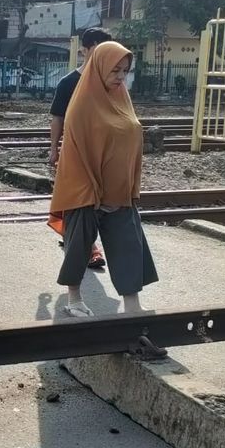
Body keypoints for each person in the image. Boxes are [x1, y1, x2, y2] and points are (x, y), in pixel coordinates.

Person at [50, 41, 157, 318]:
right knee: (78, 246)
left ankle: (132, 305)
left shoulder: (122, 98)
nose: (121, 76)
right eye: (115, 70)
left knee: (128, 243)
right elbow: (77, 152)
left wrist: (128, 186)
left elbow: (131, 138)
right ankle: (74, 299)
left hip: (118, 191)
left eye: (125, 70)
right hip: (86, 190)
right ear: (99, 68)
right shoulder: (83, 103)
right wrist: (94, 193)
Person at [47, 27, 114, 270]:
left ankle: (82, 243)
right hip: (74, 153)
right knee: (77, 199)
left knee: (99, 201)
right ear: (84, 50)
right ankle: (85, 246)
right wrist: (54, 149)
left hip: (104, 154)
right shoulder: (69, 83)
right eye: (96, 49)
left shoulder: (111, 82)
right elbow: (57, 118)